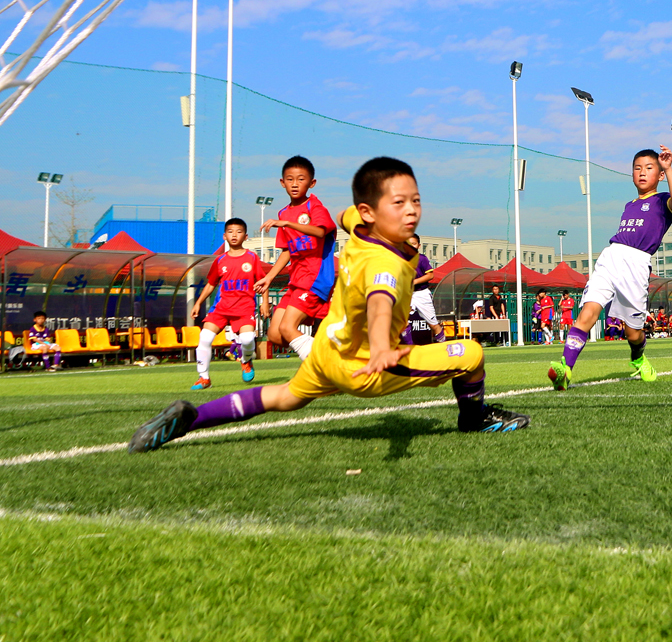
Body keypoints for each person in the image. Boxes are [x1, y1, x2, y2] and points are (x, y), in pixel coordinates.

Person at [128, 156, 528, 453]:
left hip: (325, 355)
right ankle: (473, 420)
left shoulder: (359, 225)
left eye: (415, 201)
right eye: (398, 203)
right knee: (472, 353)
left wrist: (358, 217)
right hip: (363, 367)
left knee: (282, 397)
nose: (410, 210)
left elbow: (341, 215)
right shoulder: (385, 263)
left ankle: (191, 418)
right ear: (373, 212)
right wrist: (383, 347)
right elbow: (380, 302)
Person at [548, 145, 672, 388]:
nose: (642, 172)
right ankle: (565, 369)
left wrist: (669, 170)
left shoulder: (663, 200)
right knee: (587, 312)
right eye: (637, 168)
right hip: (610, 258)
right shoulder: (629, 205)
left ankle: (639, 357)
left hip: (636, 265)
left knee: (633, 333)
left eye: (649, 168)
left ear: (660, 175)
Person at [255, 156, 336, 361]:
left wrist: (287, 224)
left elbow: (319, 232)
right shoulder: (283, 213)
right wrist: (269, 277)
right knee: (275, 335)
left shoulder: (314, 207)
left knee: (287, 327)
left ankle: (321, 370)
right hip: (296, 280)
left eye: (301, 179)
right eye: (290, 179)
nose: (295, 184)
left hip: (315, 278)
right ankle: (326, 353)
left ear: (312, 183)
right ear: (282, 183)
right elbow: (287, 251)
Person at [187, 218, 261, 389]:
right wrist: (198, 303)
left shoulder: (252, 258)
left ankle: (246, 360)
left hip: (244, 308)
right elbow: (211, 284)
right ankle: (204, 378)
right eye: (230, 232)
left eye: (239, 231)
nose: (234, 235)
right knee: (204, 338)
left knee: (248, 339)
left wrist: (264, 303)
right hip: (221, 308)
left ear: (246, 236)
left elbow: (262, 281)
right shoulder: (220, 260)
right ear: (224, 236)